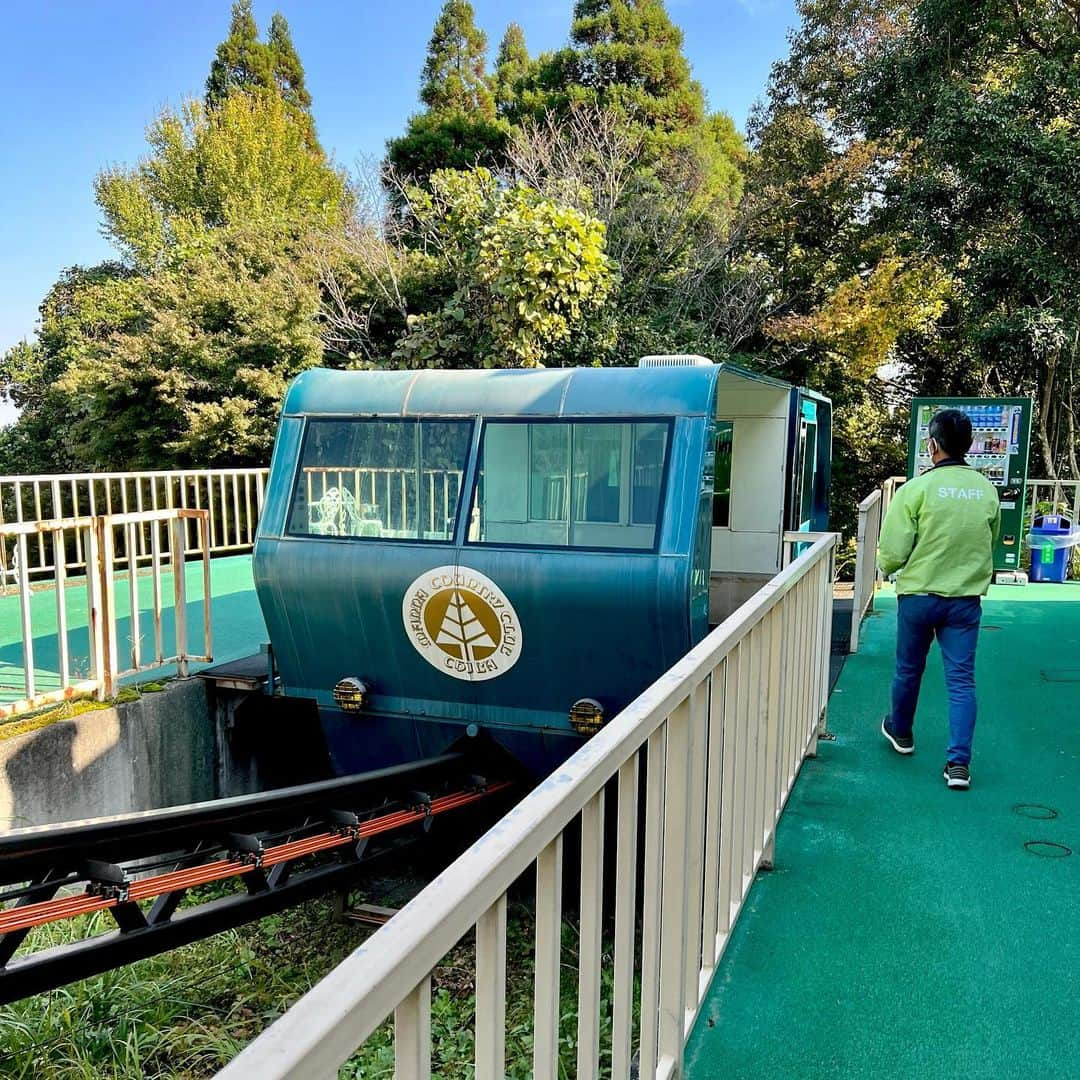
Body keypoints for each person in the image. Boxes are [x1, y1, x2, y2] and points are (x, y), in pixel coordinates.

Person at [877, 409, 1001, 789]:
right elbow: (990, 538)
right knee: (962, 681)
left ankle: (901, 732)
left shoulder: (916, 489)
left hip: (917, 596)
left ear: (932, 446)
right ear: (969, 446)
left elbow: (893, 551)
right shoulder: (985, 489)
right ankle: (958, 765)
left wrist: (887, 565)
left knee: (908, 668)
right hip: (964, 601)